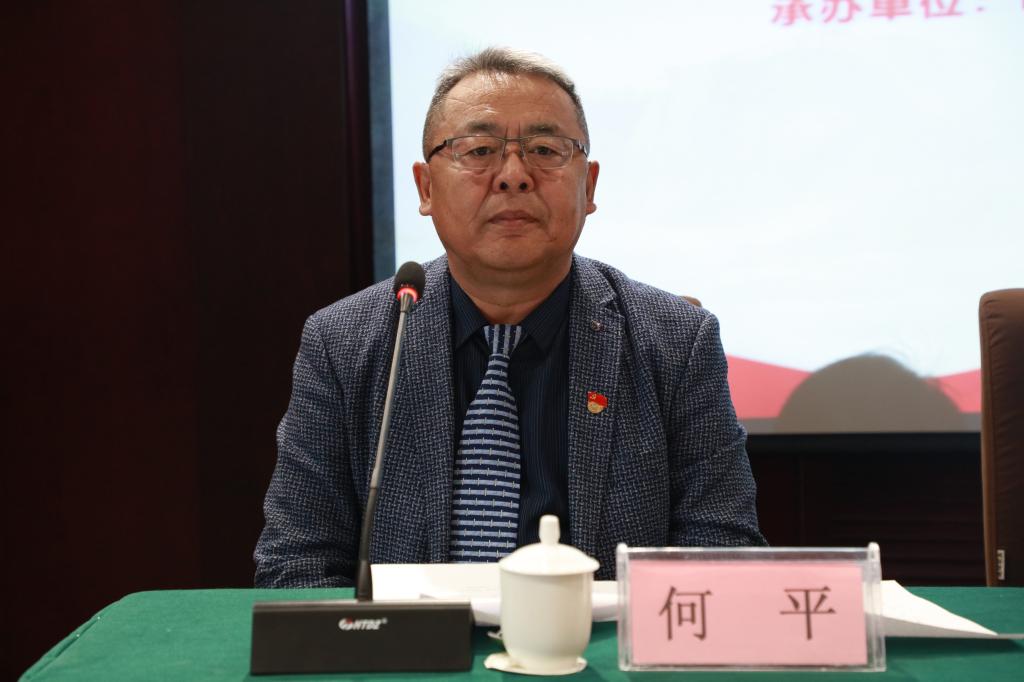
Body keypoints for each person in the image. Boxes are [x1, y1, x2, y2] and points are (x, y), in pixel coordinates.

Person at [254, 47, 764, 587]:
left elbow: (722, 556)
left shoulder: (677, 341)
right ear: (426, 188)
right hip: (413, 642)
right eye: (479, 150)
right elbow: (297, 564)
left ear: (589, 186)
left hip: (596, 640)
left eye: (545, 150)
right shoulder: (342, 342)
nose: (514, 176)